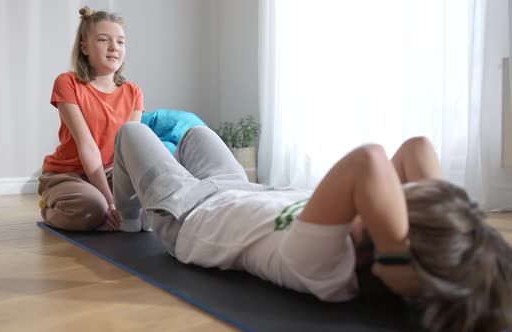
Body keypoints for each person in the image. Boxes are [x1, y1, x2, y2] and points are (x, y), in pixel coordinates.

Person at [112, 121, 512, 332]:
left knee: (132, 132)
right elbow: (417, 147)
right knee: (196, 133)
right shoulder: (367, 237)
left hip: (188, 212)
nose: (394, 188)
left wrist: (398, 255)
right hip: (243, 188)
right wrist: (453, 223)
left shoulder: (325, 266)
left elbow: (371, 160)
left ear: (386, 251)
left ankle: (126, 217)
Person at [39, 6, 146, 232]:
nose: (114, 47)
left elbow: (130, 150)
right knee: (94, 209)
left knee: (147, 200)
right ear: (84, 47)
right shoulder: (67, 83)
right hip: (68, 174)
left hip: (110, 173)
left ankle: (103, 207)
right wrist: (110, 202)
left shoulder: (134, 92)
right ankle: (49, 206)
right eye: (103, 40)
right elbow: (87, 146)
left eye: (120, 41)